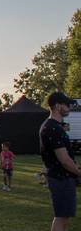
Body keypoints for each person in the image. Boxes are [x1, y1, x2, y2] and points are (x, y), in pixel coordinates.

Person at [39, 92, 80, 231]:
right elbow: (64, 160)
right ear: (57, 106)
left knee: (63, 217)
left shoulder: (52, 126)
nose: (69, 107)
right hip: (61, 178)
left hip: (61, 177)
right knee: (61, 217)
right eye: (66, 105)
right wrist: (78, 172)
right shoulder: (53, 128)